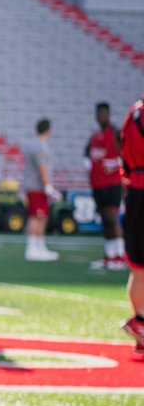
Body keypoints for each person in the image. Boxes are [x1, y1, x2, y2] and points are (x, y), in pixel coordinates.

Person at [87, 102, 128, 271]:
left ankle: (119, 256)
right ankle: (109, 255)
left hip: (113, 182)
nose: (100, 117)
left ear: (108, 114)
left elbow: (127, 152)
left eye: (103, 114)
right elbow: (88, 155)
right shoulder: (95, 136)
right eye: (98, 114)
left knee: (112, 217)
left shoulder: (116, 132)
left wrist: (117, 164)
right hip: (97, 183)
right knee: (104, 219)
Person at [119, 97, 144, 352]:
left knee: (138, 268)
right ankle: (141, 323)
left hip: (135, 188)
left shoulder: (134, 112)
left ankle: (141, 332)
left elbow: (124, 154)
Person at [22, 118, 60, 262]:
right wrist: (48, 186)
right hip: (36, 187)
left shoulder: (34, 144)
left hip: (36, 187)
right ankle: (32, 248)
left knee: (42, 217)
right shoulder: (40, 146)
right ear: (49, 130)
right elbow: (41, 168)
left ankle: (39, 246)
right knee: (36, 216)